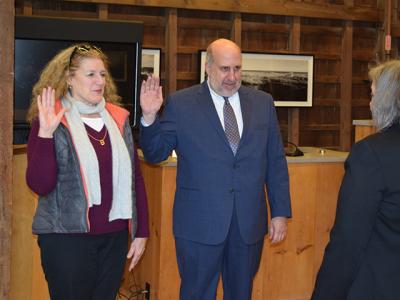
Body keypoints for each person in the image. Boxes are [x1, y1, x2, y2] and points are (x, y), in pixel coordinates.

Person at [140, 38, 292, 300]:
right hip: (199, 224)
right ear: (208, 67)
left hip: (248, 224)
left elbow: (275, 160)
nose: (232, 77)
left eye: (237, 68)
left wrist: (279, 212)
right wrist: (150, 117)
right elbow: (156, 153)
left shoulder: (262, 103)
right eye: (225, 69)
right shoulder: (182, 103)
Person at [25, 43, 149, 300]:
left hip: (114, 238)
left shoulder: (118, 118)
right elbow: (40, 184)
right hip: (66, 239)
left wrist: (141, 230)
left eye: (103, 74)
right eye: (90, 74)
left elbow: (134, 178)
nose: (99, 81)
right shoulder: (50, 118)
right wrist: (45, 134)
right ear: (69, 78)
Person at [312, 60, 400, 300]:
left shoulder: (370, 154)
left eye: (372, 95)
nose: (370, 104)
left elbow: (348, 242)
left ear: (386, 101)